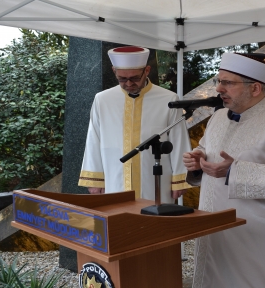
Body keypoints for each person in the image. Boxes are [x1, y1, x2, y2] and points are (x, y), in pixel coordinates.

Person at [183, 52, 265, 288]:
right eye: (218, 81)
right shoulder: (218, 117)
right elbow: (205, 148)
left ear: (256, 89)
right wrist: (197, 160)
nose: (219, 88)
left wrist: (234, 172)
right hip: (212, 227)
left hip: (254, 234)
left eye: (228, 82)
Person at [78, 46, 192, 202]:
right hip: (115, 178)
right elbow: (93, 139)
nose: (129, 83)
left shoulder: (169, 99)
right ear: (114, 71)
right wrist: (94, 179)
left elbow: (179, 139)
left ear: (147, 70)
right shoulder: (102, 100)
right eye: (122, 79)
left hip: (156, 181)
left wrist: (180, 179)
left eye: (135, 78)